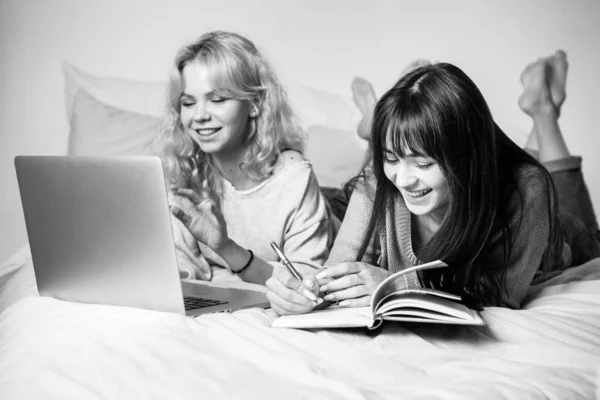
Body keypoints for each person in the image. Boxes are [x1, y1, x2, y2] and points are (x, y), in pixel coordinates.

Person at [266, 50, 600, 314]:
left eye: (423, 163)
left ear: (466, 158)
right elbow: (336, 271)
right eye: (392, 158)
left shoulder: (528, 189)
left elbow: (503, 296)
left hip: (564, 239)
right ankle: (541, 110)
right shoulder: (379, 179)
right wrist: (303, 292)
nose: (404, 179)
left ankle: (543, 111)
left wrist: (399, 285)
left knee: (587, 231)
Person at [158, 31, 336, 292]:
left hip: (333, 210)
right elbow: (182, 268)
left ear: (254, 103)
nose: (199, 116)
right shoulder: (184, 170)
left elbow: (306, 284)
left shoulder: (293, 178)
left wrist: (227, 250)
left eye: (217, 99)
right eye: (188, 102)